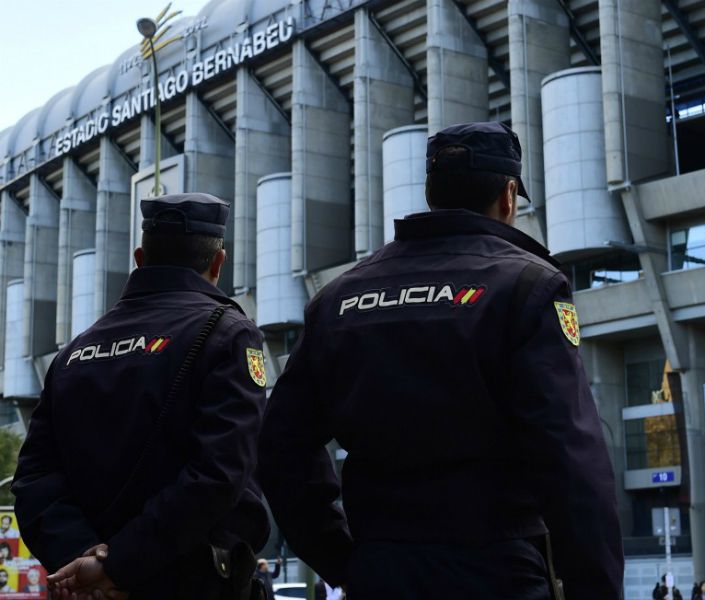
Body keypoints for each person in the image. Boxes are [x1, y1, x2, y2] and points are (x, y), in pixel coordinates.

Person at [258, 122, 623, 600]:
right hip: (498, 575)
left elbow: (281, 447)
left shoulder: (339, 298)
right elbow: (572, 463)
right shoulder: (526, 287)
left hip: (379, 572)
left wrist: (340, 558)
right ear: (508, 196)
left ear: (431, 193)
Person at [12, 193, 270, 600]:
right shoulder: (227, 333)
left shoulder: (74, 352)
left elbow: (34, 478)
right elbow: (220, 472)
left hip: (89, 590)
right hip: (195, 583)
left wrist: (84, 560)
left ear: (139, 257)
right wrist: (118, 565)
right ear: (217, 263)